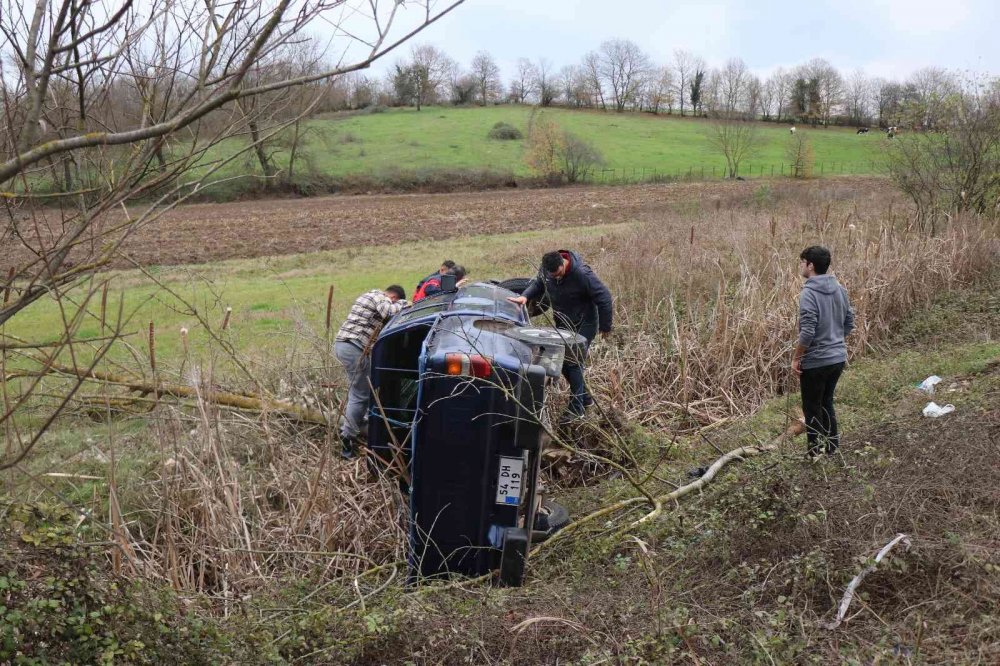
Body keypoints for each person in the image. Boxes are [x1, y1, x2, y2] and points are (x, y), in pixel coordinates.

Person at [508, 250, 613, 422]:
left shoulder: (581, 274)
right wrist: (525, 296)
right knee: (561, 362)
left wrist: (605, 326)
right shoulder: (547, 270)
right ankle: (585, 398)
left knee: (574, 363)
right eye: (551, 275)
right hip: (563, 323)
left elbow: (604, 297)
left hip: (583, 324)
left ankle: (577, 408)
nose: (555, 278)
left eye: (557, 274)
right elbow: (539, 284)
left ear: (563, 264)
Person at [792, 246, 855, 458]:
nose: (801, 266)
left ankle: (815, 451)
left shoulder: (809, 293)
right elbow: (849, 321)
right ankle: (832, 447)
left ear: (811, 266)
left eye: (802, 262)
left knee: (811, 406)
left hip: (816, 361)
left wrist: (797, 357)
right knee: (826, 402)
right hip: (837, 358)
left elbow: (807, 331)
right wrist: (835, 342)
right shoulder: (840, 289)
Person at [335, 285, 409, 459]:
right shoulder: (377, 296)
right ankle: (347, 439)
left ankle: (357, 424)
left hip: (349, 347)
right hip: (352, 347)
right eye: (396, 301)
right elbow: (387, 311)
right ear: (393, 297)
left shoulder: (374, 299)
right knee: (361, 394)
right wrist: (406, 304)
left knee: (360, 392)